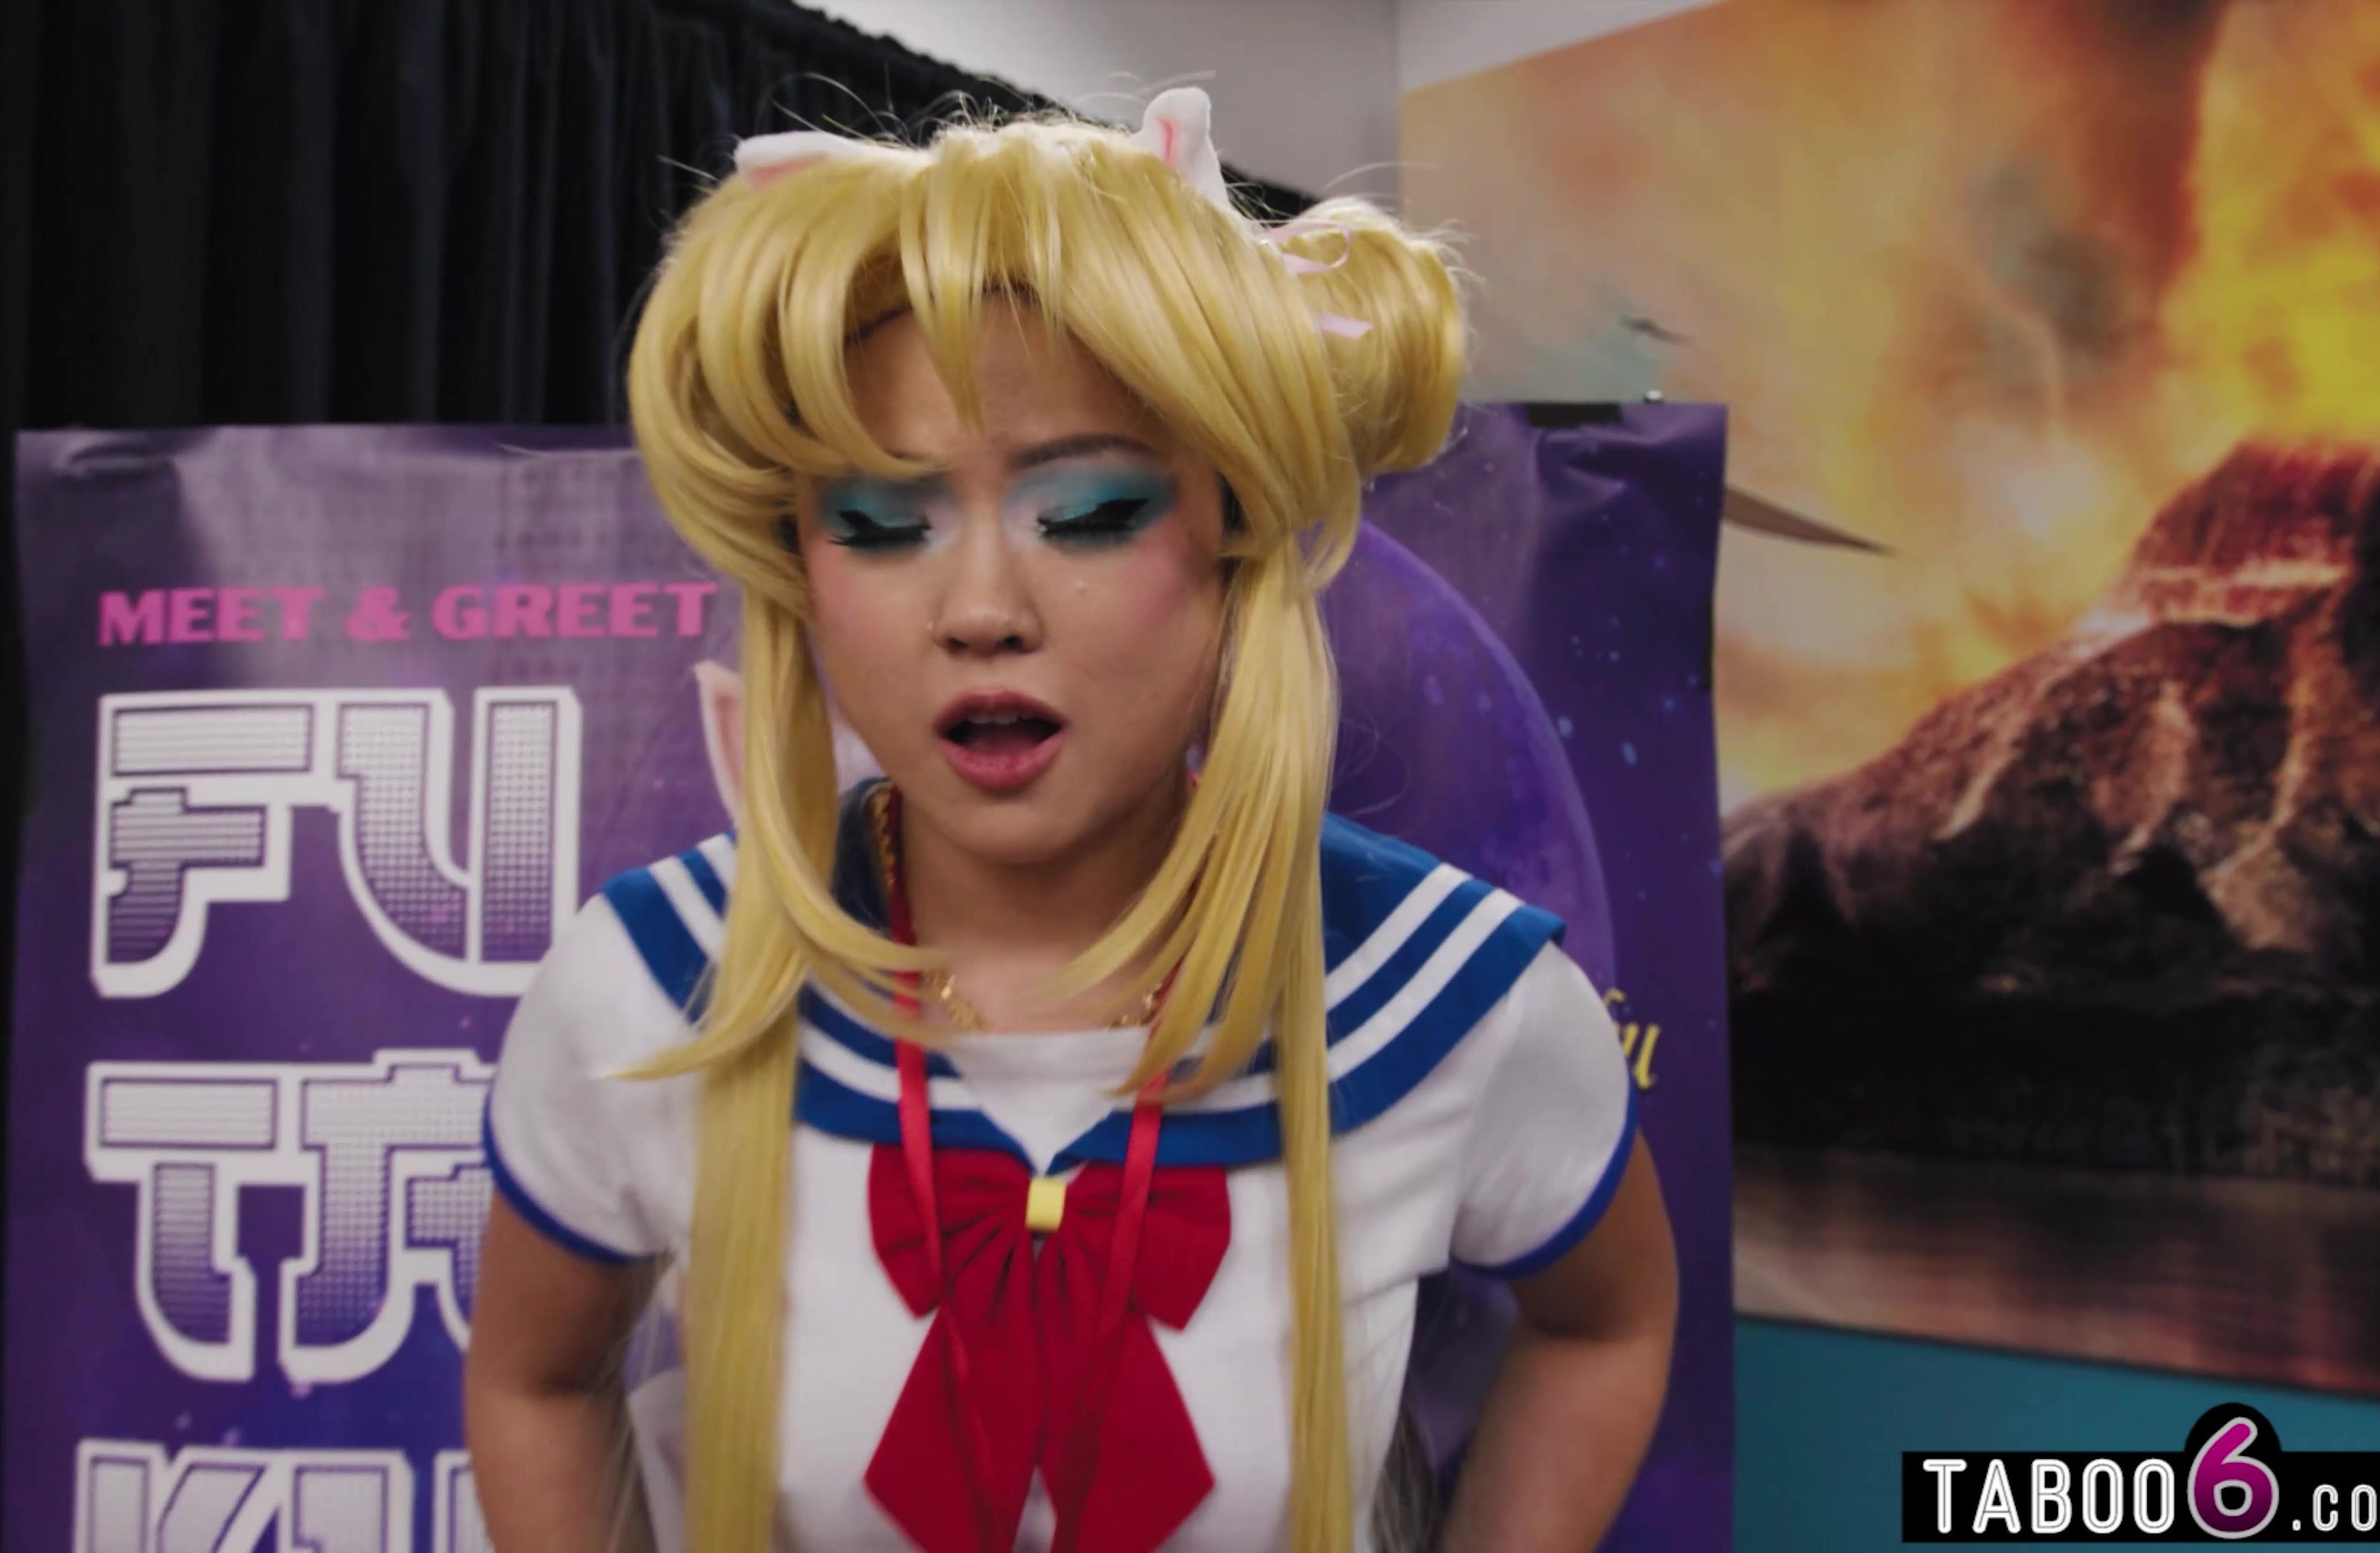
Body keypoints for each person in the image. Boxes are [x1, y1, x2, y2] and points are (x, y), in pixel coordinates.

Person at [464, 88, 1678, 1553]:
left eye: (1088, 511)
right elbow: (533, 1375)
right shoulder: (661, 987)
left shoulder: (1450, 997)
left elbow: (1609, 1322)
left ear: (1232, 535)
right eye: (882, 523)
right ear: (801, 569)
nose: (982, 609)